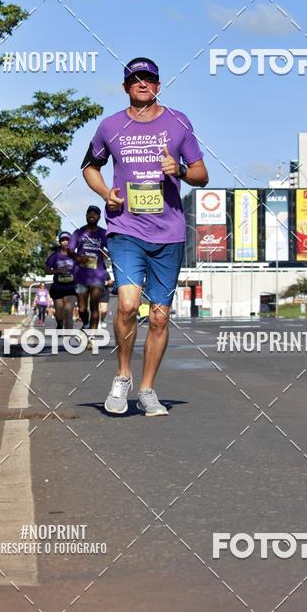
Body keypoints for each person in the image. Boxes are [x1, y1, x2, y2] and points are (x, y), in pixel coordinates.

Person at [81, 56, 208, 416]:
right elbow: (90, 167)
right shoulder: (110, 127)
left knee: (159, 316)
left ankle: (148, 388)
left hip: (168, 234)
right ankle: (123, 376)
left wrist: (179, 169)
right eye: (135, 79)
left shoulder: (178, 122)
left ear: (158, 84)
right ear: (125, 86)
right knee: (126, 304)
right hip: (125, 229)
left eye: (149, 78)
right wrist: (106, 193)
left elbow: (202, 174)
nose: (142, 84)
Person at [68, 206, 109, 335]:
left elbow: (111, 251)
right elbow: (69, 250)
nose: (92, 215)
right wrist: (79, 258)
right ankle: (85, 323)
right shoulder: (79, 232)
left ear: (99, 217)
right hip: (81, 275)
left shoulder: (104, 233)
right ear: (86, 215)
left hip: (98, 275)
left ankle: (91, 336)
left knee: (94, 305)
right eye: (89, 213)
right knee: (82, 308)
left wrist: (105, 254)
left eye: (95, 214)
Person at [46, 232, 77, 330]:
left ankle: (68, 339)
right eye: (63, 240)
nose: (65, 242)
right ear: (60, 242)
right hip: (58, 287)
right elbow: (46, 270)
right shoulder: (54, 256)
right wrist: (58, 270)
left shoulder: (75, 255)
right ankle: (59, 323)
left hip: (71, 287)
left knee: (68, 312)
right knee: (59, 315)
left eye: (67, 240)